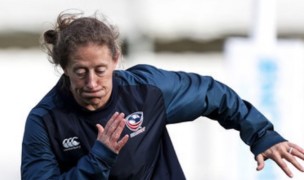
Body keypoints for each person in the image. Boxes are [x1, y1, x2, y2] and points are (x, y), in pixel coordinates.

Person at [21, 11, 304, 179]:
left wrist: (261, 135)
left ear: (117, 59)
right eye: (81, 71)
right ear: (64, 67)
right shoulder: (45, 121)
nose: (92, 82)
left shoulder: (147, 91)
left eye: (100, 69)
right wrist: (99, 159)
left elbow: (213, 94)